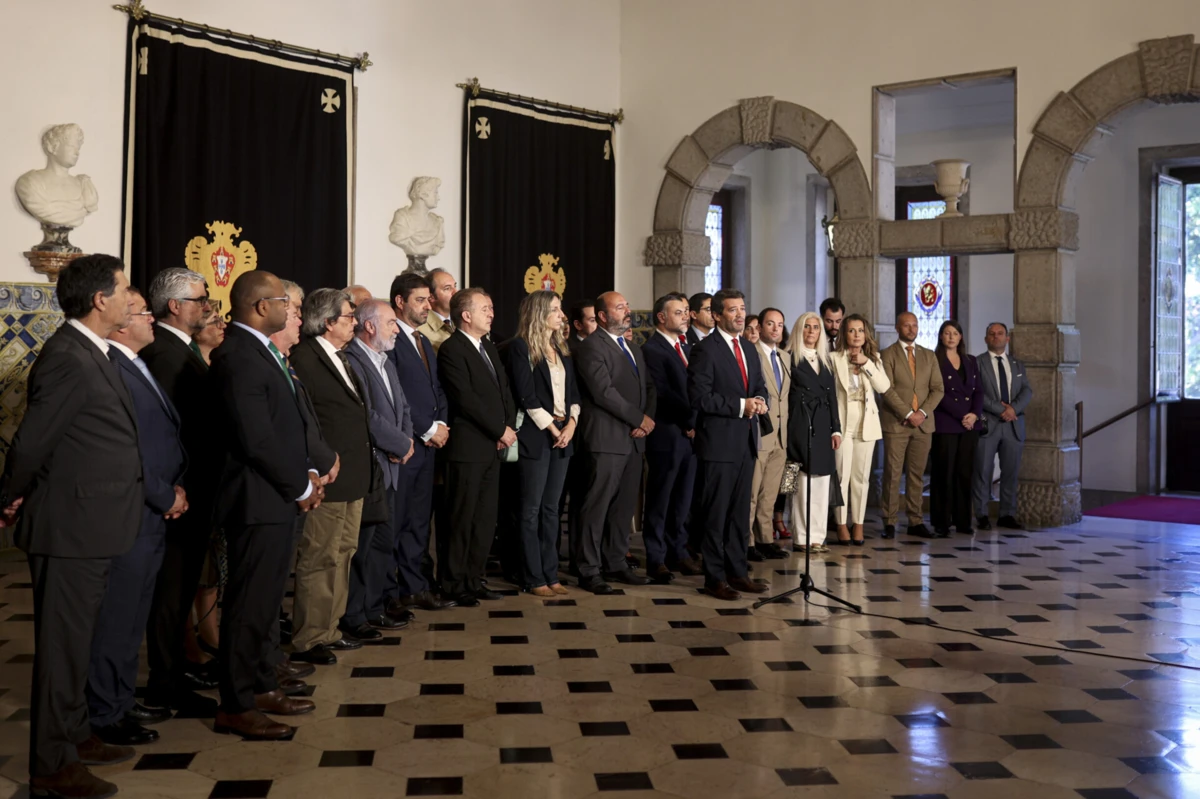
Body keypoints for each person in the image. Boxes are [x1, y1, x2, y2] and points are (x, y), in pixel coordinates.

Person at [0, 255, 140, 797]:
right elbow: (34, 440)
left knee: (78, 644)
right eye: (125, 288)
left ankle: (76, 735)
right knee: (61, 652)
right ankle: (51, 765)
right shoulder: (67, 355)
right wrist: (10, 494)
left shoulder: (92, 351)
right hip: (69, 529)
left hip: (93, 524)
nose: (131, 297)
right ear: (100, 299)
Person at [209, 270, 320, 740]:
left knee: (265, 602)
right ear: (260, 307)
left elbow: (287, 423)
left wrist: (308, 473)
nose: (290, 310)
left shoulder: (259, 350)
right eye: (283, 302)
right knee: (248, 606)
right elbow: (257, 439)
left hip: (275, 497)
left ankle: (260, 685)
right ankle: (235, 704)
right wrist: (300, 486)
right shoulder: (238, 355)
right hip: (256, 499)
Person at [86, 287, 187, 747]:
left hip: (153, 509)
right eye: (144, 313)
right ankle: (106, 712)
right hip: (135, 509)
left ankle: (122, 699)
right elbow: (126, 450)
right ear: (122, 324)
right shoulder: (115, 370)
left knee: (134, 614)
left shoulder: (136, 363)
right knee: (118, 617)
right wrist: (164, 493)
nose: (152, 319)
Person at [138, 267, 220, 715]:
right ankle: (165, 682)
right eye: (200, 298)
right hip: (180, 495)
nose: (206, 305)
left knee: (182, 588)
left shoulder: (180, 349)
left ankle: (176, 669)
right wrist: (177, 488)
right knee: (171, 594)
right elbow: (167, 433)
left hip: (193, 491)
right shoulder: (166, 355)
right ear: (175, 305)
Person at [288, 289, 375, 659]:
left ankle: (331, 628)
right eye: (348, 317)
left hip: (353, 474)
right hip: (328, 476)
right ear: (327, 323)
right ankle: (309, 638)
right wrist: (317, 463)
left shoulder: (342, 356)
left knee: (343, 552)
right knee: (320, 557)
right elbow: (306, 420)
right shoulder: (306, 358)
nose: (354, 322)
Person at [267, 281, 337, 683]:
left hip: (302, 478)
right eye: (290, 307)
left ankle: (270, 661)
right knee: (267, 589)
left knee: (277, 584)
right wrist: (306, 475)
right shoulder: (257, 358)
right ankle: (259, 673)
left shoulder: (285, 360)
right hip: (275, 490)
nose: (297, 315)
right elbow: (265, 435)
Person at [436, 287, 517, 606]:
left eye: (492, 307)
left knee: (485, 518)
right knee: (462, 517)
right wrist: (499, 429)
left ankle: (474, 578)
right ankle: (453, 583)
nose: (492, 313)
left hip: (493, 445)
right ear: (465, 315)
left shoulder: (489, 346)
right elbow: (465, 399)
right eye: (485, 308)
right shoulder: (452, 349)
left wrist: (508, 426)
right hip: (468, 448)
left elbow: (504, 390)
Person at [688, 288, 769, 600]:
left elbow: (758, 385)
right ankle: (714, 577)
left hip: (746, 443)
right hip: (718, 445)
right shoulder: (705, 350)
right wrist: (741, 406)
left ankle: (738, 572)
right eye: (732, 310)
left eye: (742, 309)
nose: (739, 315)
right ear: (718, 315)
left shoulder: (749, 349)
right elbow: (700, 397)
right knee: (715, 514)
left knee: (738, 515)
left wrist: (760, 399)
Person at [574, 291, 656, 594]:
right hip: (606, 438)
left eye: (627, 305)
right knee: (596, 507)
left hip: (634, 439)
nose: (627, 311)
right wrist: (638, 419)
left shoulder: (634, 348)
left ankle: (616, 562)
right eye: (620, 307)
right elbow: (602, 392)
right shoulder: (592, 347)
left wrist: (645, 419)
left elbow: (647, 388)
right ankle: (589, 569)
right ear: (603, 316)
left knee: (623, 508)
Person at [344, 299, 416, 631]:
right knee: (363, 548)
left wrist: (407, 441)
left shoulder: (385, 360)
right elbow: (365, 413)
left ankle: (373, 609)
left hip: (393, 465)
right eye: (390, 323)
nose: (396, 329)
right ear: (369, 326)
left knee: (383, 544)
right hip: (372, 465)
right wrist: (399, 444)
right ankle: (354, 615)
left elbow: (402, 406)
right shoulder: (352, 359)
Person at [505, 291, 580, 596]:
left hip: (564, 435)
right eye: (555, 309)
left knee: (552, 509)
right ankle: (533, 576)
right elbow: (526, 395)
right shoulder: (521, 347)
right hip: (537, 436)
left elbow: (574, 393)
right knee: (530, 510)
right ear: (539, 313)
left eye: (560, 309)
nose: (561, 314)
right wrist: (552, 427)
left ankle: (552, 573)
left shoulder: (560, 347)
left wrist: (571, 424)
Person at [387, 273, 454, 612]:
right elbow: (395, 395)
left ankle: (415, 587)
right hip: (406, 445)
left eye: (429, 299)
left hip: (428, 446)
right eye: (420, 300)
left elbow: (436, 388)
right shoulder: (390, 339)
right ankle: (388, 593)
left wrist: (440, 423)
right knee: (396, 522)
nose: (428, 305)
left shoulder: (424, 342)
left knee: (417, 521)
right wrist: (427, 428)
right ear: (400, 301)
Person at [641, 293, 701, 582]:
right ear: (662, 317)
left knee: (683, 499)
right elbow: (663, 394)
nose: (686, 316)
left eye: (687, 311)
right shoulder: (652, 349)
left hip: (689, 435)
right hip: (667, 433)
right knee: (661, 498)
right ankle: (656, 557)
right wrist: (690, 421)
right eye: (679, 312)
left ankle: (679, 552)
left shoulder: (688, 348)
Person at [185, 307, 227, 667]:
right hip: (193, 478)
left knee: (213, 565)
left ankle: (211, 630)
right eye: (214, 322)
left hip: (221, 478)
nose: (221, 326)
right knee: (192, 566)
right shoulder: (188, 363)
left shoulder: (223, 363)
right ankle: (189, 641)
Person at [879, 311, 944, 539]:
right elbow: (886, 389)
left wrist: (922, 413)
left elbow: (938, 389)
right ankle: (889, 520)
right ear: (898, 327)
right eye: (906, 325)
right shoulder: (887, 354)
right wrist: (907, 412)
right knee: (893, 473)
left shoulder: (929, 356)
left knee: (917, 475)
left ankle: (915, 521)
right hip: (897, 423)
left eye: (914, 325)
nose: (911, 329)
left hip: (923, 425)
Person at [830, 315, 891, 546]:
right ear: (844, 334)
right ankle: (841, 524)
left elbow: (884, 387)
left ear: (866, 335)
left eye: (860, 331)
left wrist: (865, 363)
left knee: (861, 478)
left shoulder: (873, 359)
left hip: (867, 424)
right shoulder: (833, 358)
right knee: (842, 476)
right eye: (851, 330)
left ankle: (858, 524)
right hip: (842, 424)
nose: (856, 335)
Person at [787, 311, 841, 553]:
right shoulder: (790, 358)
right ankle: (801, 537)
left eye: (816, 327)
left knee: (821, 484)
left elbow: (832, 397)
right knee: (802, 484)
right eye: (807, 327)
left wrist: (836, 429)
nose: (811, 331)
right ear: (800, 330)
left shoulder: (826, 360)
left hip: (824, 427)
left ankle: (818, 537)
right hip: (800, 425)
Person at [973, 322, 1031, 530]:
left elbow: (1026, 391)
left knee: (1011, 472)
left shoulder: (1017, 365)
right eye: (991, 334)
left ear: (1007, 339)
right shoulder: (977, 363)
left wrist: (1013, 409)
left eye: (1000, 334)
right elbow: (977, 393)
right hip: (989, 424)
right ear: (986, 339)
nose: (996, 337)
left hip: (1013, 425)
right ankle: (981, 514)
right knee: (983, 470)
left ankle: (1007, 514)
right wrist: (1001, 409)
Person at [930, 320, 983, 537]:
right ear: (941, 337)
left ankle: (963, 521)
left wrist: (974, 414)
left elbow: (979, 391)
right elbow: (937, 392)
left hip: (970, 425)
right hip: (946, 423)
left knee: (964, 473)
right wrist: (963, 415)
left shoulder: (970, 361)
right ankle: (941, 521)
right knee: (944, 473)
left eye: (955, 333)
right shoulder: (934, 360)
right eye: (946, 333)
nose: (951, 337)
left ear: (961, 337)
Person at [748, 307, 789, 560]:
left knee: (770, 494)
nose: (775, 329)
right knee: (752, 493)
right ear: (760, 327)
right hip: (760, 432)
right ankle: (747, 542)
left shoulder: (784, 357)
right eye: (771, 324)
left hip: (781, 436)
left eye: (780, 325)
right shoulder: (751, 355)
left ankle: (765, 538)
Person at [418, 267, 458, 352]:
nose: (455, 292)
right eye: (447, 288)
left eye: (455, 286)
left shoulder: (461, 321)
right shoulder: (420, 329)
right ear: (431, 297)